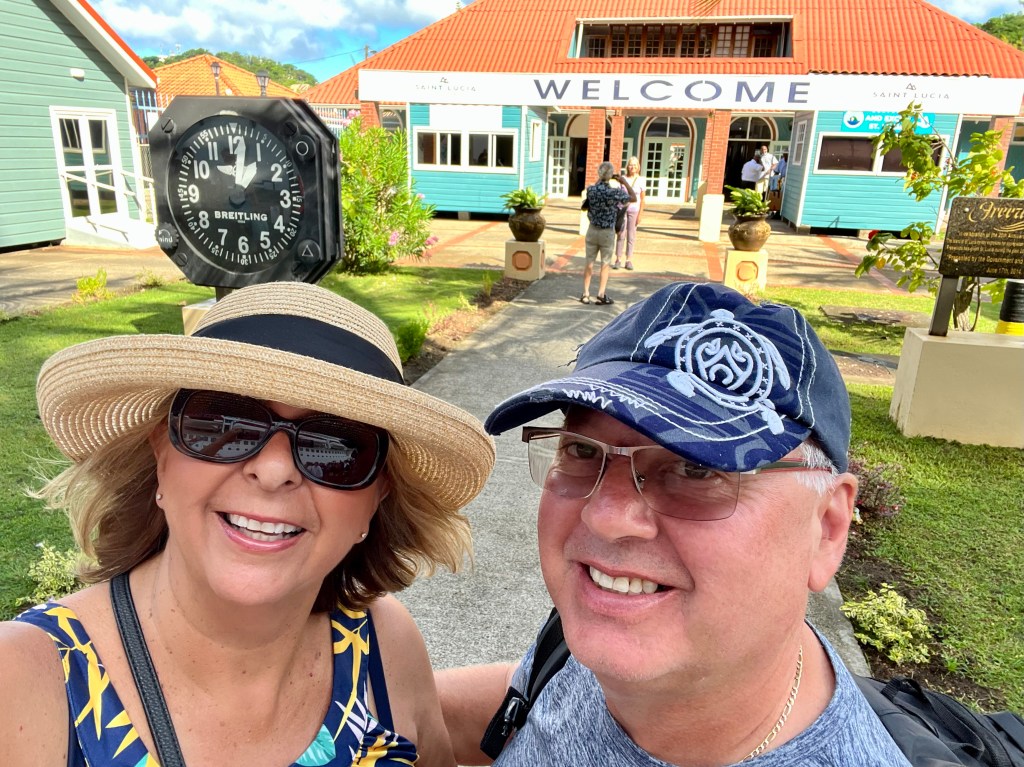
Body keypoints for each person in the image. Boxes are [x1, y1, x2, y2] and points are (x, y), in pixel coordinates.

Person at [1, 281, 495, 767]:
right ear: (161, 455)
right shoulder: (22, 680)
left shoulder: (385, 646)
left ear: (377, 495)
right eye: (226, 424)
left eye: (334, 447)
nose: (275, 469)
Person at [438, 282, 912, 767]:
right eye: (581, 450)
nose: (605, 517)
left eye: (696, 469)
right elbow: (531, 706)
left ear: (827, 527)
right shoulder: (613, 620)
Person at [579, 161, 635, 306]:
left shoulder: (591, 190)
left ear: (599, 174)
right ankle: (601, 294)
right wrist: (623, 181)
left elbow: (595, 188)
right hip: (607, 232)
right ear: (610, 175)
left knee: (589, 262)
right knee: (605, 263)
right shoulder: (615, 192)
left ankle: (585, 294)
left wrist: (602, 178)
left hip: (592, 230)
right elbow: (633, 197)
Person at [613, 156, 645, 272]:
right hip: (623, 209)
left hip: (634, 210)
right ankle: (618, 259)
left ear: (638, 167)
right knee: (621, 235)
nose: (632, 167)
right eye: (631, 165)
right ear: (627, 166)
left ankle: (628, 260)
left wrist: (640, 214)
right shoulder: (623, 179)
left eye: (635, 165)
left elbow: (642, 199)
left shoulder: (641, 180)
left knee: (631, 236)